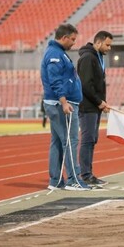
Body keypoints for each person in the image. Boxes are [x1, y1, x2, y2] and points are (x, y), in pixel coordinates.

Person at [40, 24, 89, 191]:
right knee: (70, 141)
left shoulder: (58, 53)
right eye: (73, 39)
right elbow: (55, 80)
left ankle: (55, 180)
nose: (74, 43)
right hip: (61, 104)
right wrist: (64, 102)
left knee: (57, 142)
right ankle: (73, 180)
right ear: (64, 37)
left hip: (59, 103)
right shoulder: (55, 55)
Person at [77, 30, 113, 187]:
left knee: (92, 140)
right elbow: (85, 85)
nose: (109, 48)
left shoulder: (97, 58)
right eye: (107, 44)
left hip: (95, 106)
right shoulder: (87, 58)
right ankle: (85, 175)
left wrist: (102, 102)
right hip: (88, 106)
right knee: (87, 140)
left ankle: (88, 173)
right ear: (98, 42)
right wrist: (99, 102)